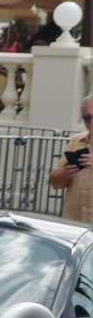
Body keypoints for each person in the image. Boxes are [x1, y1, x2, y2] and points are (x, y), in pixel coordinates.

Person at [48, 95, 93, 224]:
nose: (91, 122)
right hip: (74, 224)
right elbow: (56, 184)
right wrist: (65, 173)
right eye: (87, 118)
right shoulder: (76, 141)